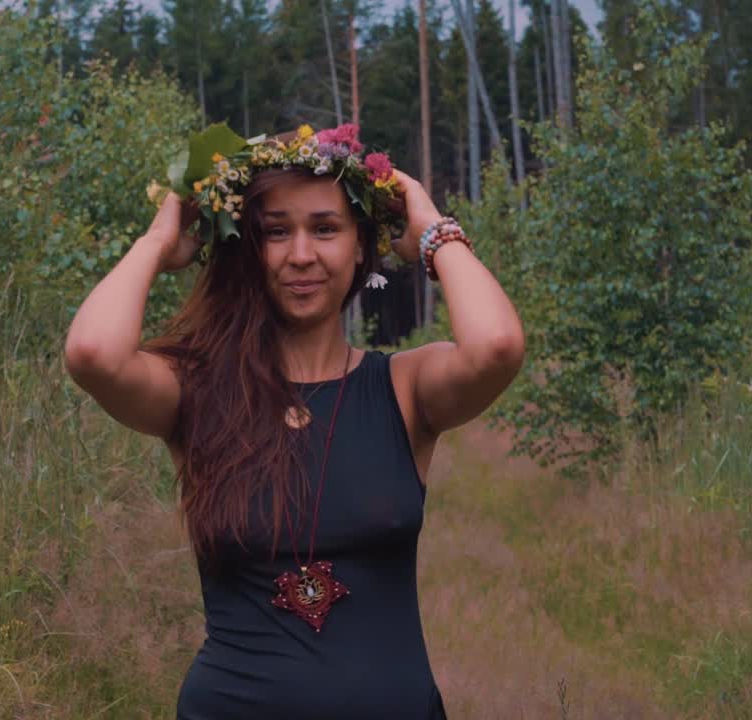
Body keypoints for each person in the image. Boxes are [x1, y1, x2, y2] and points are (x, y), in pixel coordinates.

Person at [63, 125, 524, 719]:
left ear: (361, 246)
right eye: (275, 232)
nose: (301, 254)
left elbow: (498, 345)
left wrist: (431, 226)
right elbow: (92, 353)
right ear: (244, 248)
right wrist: (158, 241)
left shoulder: (405, 390)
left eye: (326, 228)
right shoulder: (196, 392)